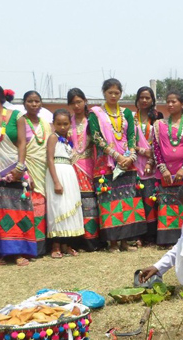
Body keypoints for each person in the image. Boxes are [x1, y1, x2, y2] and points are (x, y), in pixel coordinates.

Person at [0, 83, 37, 265]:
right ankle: (4, 253)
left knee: (19, 211)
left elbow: (21, 143)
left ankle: (21, 253)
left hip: (16, 170)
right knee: (0, 212)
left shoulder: (17, 116)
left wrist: (20, 168)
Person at [88, 78, 146, 252]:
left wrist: (130, 156)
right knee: (110, 203)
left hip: (127, 163)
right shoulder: (96, 113)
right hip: (106, 164)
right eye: (110, 92)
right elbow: (96, 137)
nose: (113, 96)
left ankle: (125, 242)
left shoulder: (127, 113)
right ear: (104, 93)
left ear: (121, 94)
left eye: (117, 93)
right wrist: (116, 155)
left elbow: (131, 136)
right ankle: (112, 242)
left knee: (128, 201)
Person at [152, 91, 183, 246]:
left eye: (174, 101)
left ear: (182, 104)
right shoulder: (159, 125)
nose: (170, 105)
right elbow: (156, 148)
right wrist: (163, 169)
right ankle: (167, 239)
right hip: (166, 172)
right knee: (167, 203)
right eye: (168, 102)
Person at [45, 109, 84, 258]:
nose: (62, 127)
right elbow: (49, 159)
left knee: (68, 207)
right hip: (57, 173)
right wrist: (56, 181)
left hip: (69, 173)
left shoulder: (68, 140)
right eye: (59, 124)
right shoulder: (53, 138)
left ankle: (66, 244)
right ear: (53, 124)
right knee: (58, 208)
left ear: (70, 124)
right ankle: (55, 246)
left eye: (65, 124)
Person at [68, 88, 101, 251]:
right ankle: (79, 241)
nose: (76, 105)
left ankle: (93, 240)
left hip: (91, 165)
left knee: (91, 202)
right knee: (77, 203)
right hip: (73, 167)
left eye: (79, 101)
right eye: (73, 103)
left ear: (85, 101)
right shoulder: (68, 122)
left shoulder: (93, 120)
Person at [18, 90, 49, 256]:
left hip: (44, 168)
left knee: (44, 207)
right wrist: (24, 171)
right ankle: (31, 246)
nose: (34, 104)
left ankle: (44, 246)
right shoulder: (20, 122)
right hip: (28, 168)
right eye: (30, 101)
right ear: (24, 103)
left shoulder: (45, 123)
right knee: (31, 207)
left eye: (37, 101)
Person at [134, 86, 160, 245]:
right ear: (137, 99)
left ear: (152, 100)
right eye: (141, 97)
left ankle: (151, 235)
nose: (144, 100)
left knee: (150, 198)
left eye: (147, 98)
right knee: (137, 199)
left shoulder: (158, 118)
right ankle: (138, 235)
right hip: (134, 163)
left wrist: (150, 159)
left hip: (152, 164)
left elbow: (158, 142)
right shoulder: (130, 117)